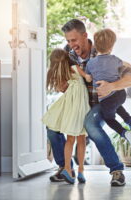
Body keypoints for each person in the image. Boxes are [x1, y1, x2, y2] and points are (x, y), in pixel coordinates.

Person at [47, 19, 131, 186]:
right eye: (68, 41)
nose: (71, 44)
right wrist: (62, 85)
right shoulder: (67, 54)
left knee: (91, 125)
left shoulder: (103, 52)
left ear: (84, 36)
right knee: (52, 127)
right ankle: (65, 168)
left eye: (74, 40)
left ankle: (116, 170)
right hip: (76, 104)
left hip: (100, 103)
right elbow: (63, 80)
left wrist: (112, 85)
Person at [78, 28, 131, 149]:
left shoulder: (91, 63)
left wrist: (89, 78)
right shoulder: (115, 60)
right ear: (111, 46)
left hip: (105, 99)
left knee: (109, 118)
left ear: (95, 46)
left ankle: (124, 133)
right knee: (117, 105)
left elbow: (88, 78)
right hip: (120, 94)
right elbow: (128, 65)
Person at [42, 48, 90, 184]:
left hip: (76, 106)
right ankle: (73, 169)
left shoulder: (68, 69)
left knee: (74, 138)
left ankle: (69, 168)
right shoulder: (70, 67)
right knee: (77, 138)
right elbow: (85, 78)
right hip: (76, 104)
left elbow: (64, 88)